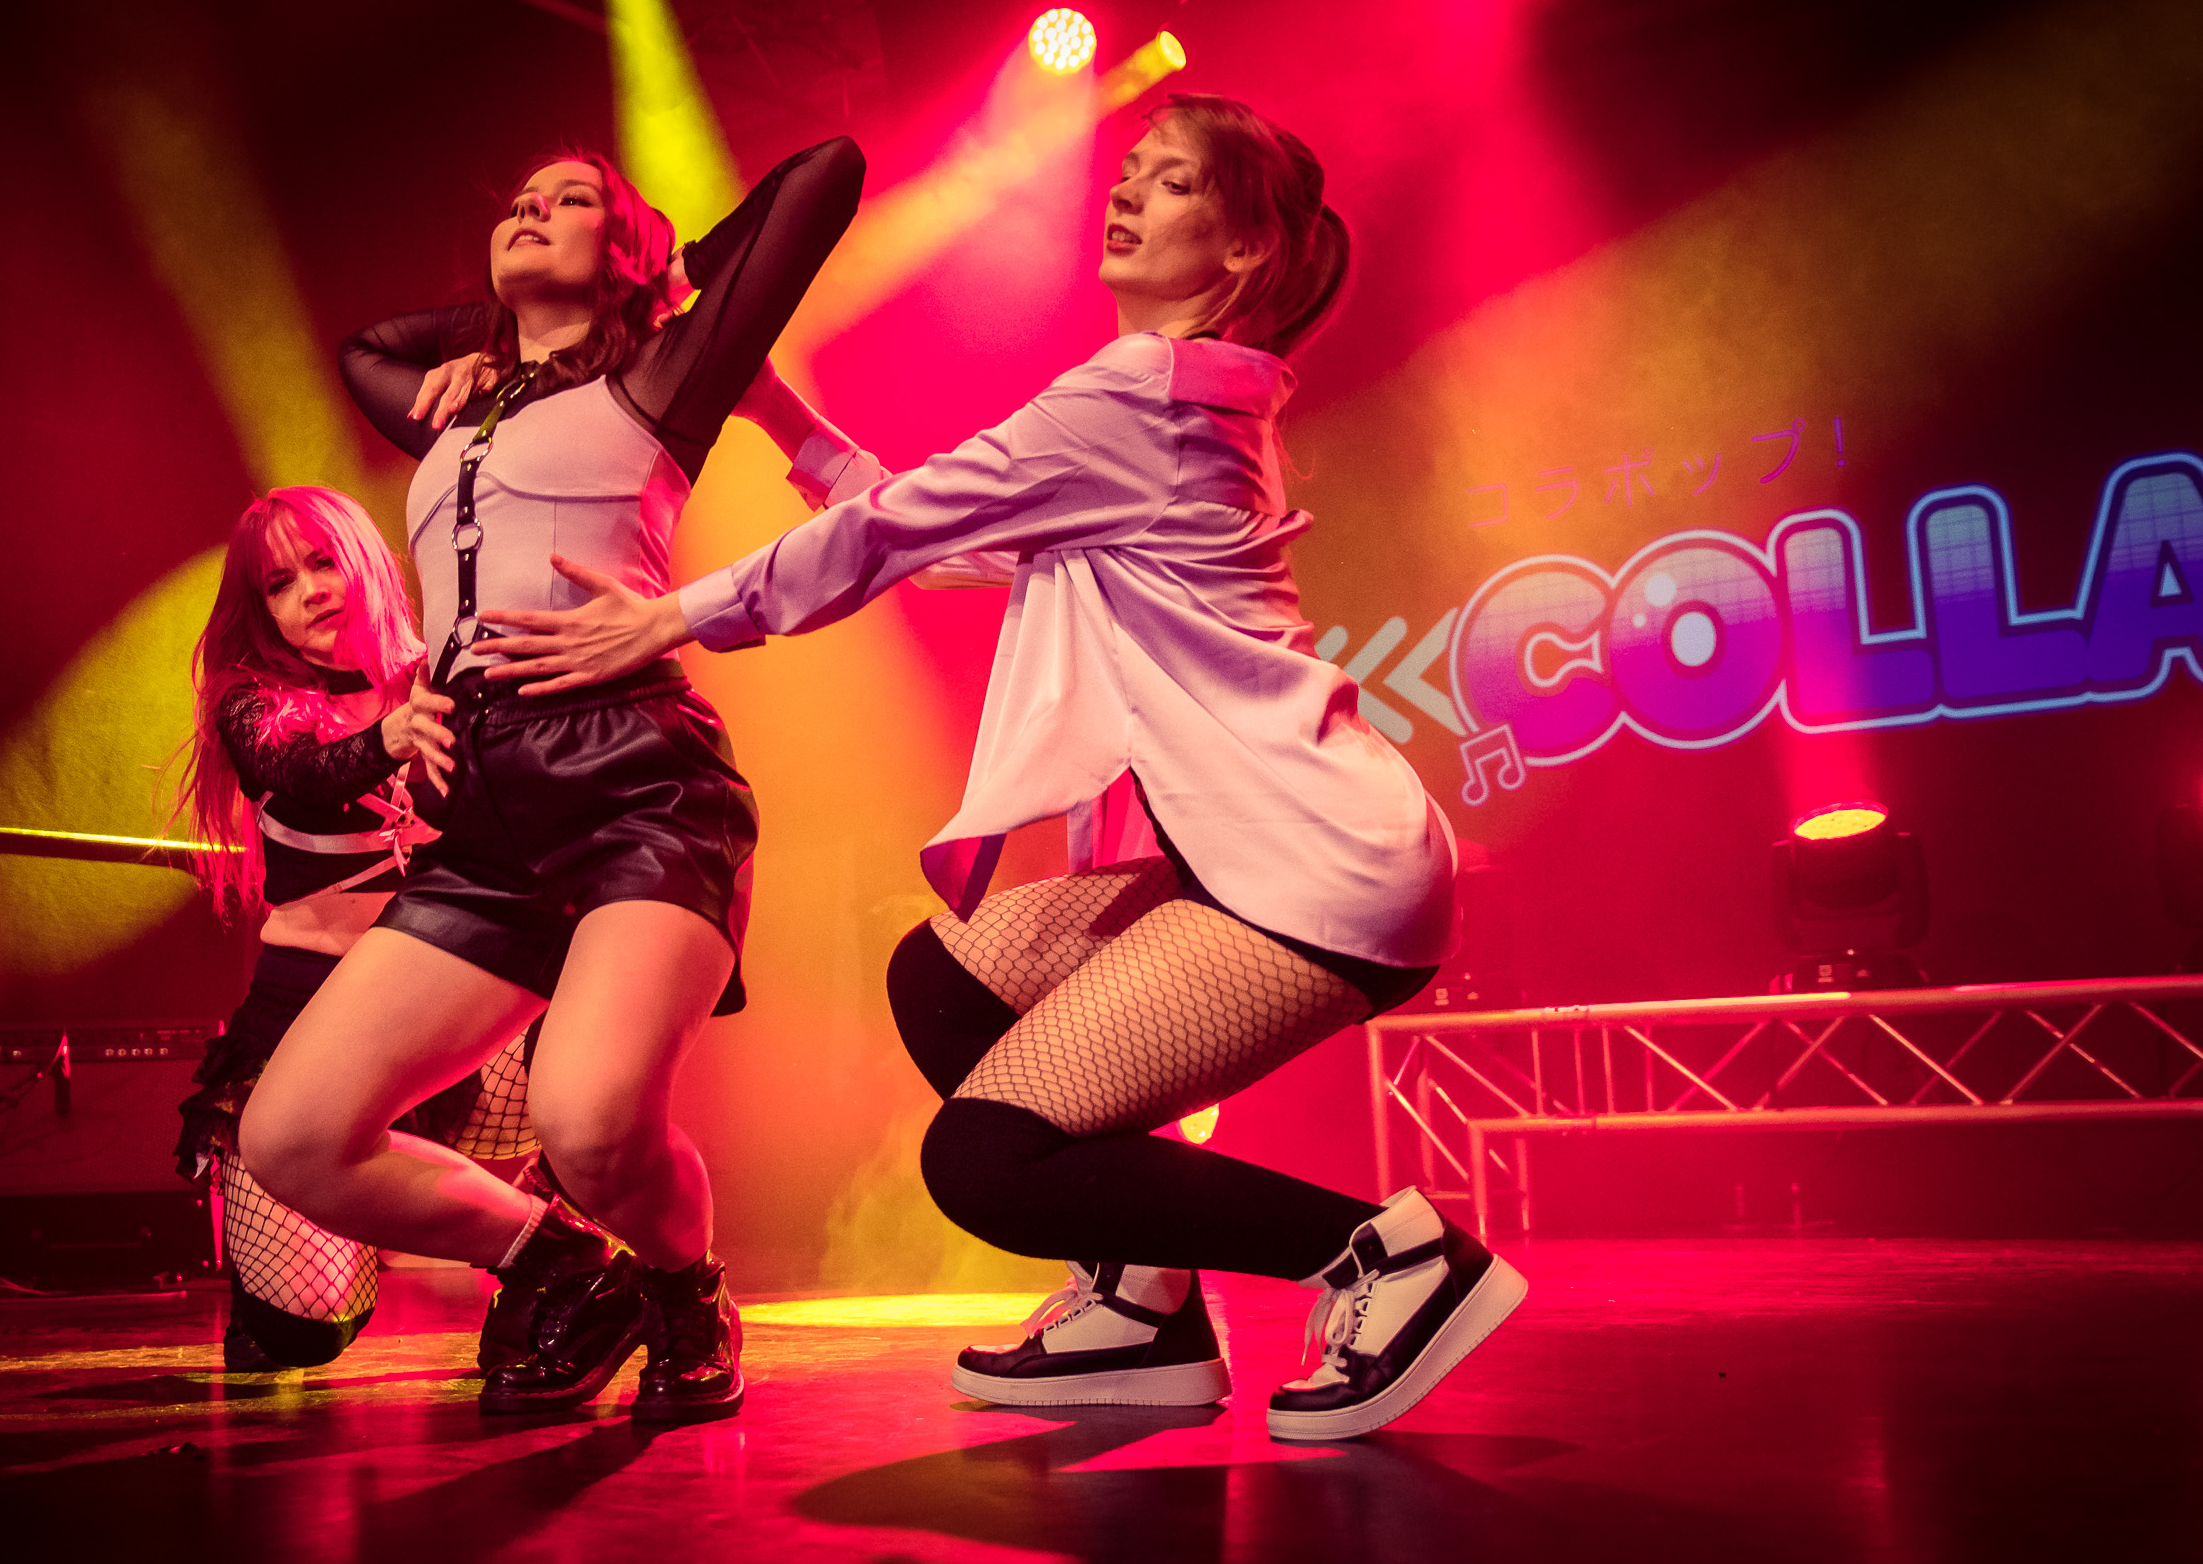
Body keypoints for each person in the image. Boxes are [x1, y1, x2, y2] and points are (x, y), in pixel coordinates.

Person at [463, 95, 1524, 1441]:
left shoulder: (1141, 390)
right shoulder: (1169, 402)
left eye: (1171, 182)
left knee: (986, 1160)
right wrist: (773, 406)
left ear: (1245, 246)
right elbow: (947, 538)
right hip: (1258, 854)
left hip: (1313, 870)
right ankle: (1143, 1304)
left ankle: (1393, 1258)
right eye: (1126, 172)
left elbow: (902, 527)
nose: (1124, 194)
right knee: (943, 978)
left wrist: (670, 616)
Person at [237, 138, 864, 1422]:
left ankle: (686, 1289)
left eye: (569, 200)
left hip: (636, 782)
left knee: (588, 1122)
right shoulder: (450, 402)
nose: (530, 211)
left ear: (623, 247)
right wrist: (493, 331)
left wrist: (656, 283)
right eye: (518, 202)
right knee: (291, 1137)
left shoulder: (664, 376)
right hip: (480, 810)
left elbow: (824, 177)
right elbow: (364, 345)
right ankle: (563, 1262)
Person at [172, 484, 541, 1372]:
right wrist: (391, 738)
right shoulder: (249, 701)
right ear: (261, 608)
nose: (310, 591)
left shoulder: (443, 673)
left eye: (323, 562)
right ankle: (349, 1204)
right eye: (278, 583)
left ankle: (547, 1262)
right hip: (304, 1015)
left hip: (436, 1004)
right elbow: (305, 776)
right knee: (302, 1327)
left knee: (568, 1055)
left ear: (366, 560)